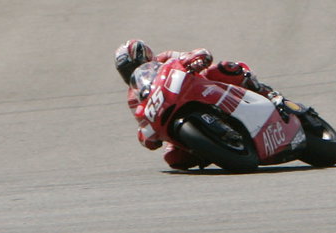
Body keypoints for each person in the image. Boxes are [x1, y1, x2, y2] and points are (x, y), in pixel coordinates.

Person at [115, 39, 281, 170]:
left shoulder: (164, 58)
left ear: (146, 55)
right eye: (126, 70)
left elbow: (188, 57)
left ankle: (266, 92)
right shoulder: (133, 96)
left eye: (133, 65)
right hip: (171, 111)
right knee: (173, 159)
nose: (131, 71)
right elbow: (143, 120)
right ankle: (211, 148)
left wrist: (197, 59)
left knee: (221, 69)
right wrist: (146, 137)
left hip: (197, 86)